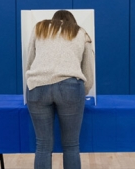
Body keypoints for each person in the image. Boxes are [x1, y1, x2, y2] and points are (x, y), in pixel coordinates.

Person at [24, 10, 95, 169]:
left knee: (42, 145)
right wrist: (83, 92)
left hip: (38, 85)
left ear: (53, 20)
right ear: (73, 22)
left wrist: (31, 82)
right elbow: (88, 71)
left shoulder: (40, 28)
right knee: (71, 145)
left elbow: (29, 61)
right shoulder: (81, 33)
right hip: (70, 86)